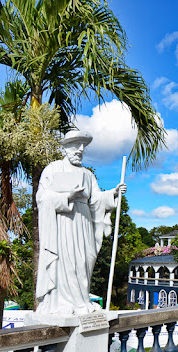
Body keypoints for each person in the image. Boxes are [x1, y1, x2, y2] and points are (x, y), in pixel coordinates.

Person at [36, 130, 126, 315]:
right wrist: (67, 196)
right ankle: (62, 303)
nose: (80, 150)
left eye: (82, 147)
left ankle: (82, 300)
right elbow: (42, 198)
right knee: (65, 260)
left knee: (84, 260)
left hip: (83, 222)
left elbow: (96, 200)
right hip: (62, 224)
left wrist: (113, 193)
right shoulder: (52, 170)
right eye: (76, 146)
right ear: (66, 148)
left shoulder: (87, 174)